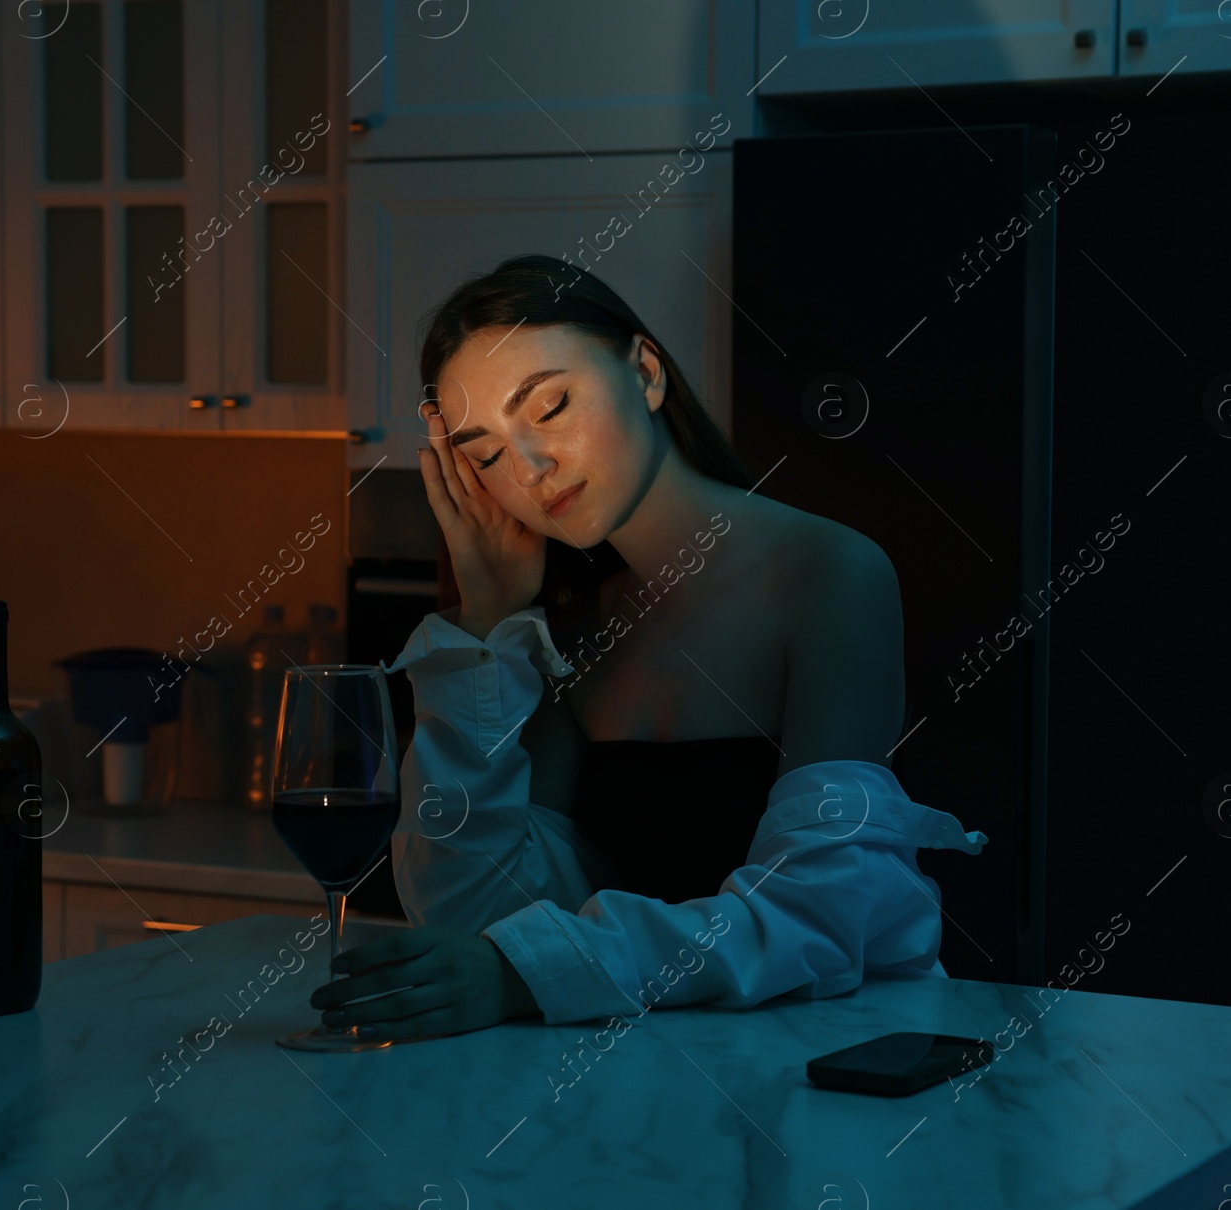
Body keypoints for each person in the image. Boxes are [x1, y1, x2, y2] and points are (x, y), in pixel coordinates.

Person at [309, 254, 987, 1040]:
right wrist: (488, 622)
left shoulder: (830, 574)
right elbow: (475, 912)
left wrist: (524, 973)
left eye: (551, 406)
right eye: (487, 454)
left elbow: (826, 911)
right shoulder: (568, 629)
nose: (530, 469)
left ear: (647, 372)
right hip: (648, 1084)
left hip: (835, 1065)